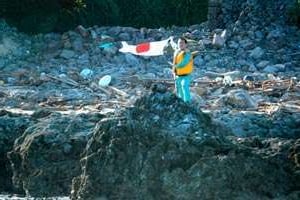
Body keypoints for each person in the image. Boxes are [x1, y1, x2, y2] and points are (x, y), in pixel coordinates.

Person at [172, 37, 193, 103]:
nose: (180, 44)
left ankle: (188, 103)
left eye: (182, 43)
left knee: (184, 86)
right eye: (179, 43)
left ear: (186, 44)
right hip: (178, 75)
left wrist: (176, 66)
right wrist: (171, 40)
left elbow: (184, 63)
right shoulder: (177, 51)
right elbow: (174, 45)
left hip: (186, 75)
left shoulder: (187, 53)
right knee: (179, 90)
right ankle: (181, 104)